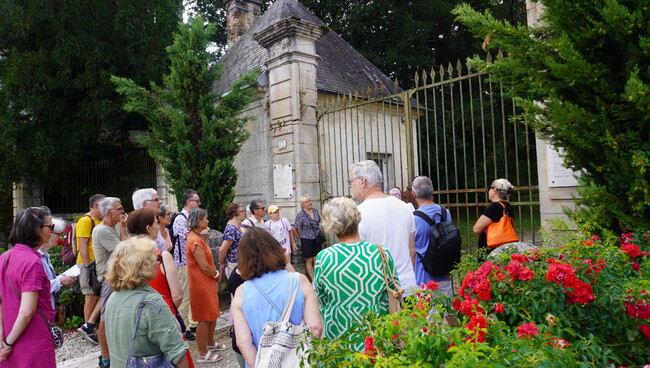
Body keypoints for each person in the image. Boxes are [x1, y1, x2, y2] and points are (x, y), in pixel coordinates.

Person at [314, 197, 400, 348]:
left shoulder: (325, 257)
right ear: (357, 219)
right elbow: (394, 291)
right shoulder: (381, 253)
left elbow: (321, 299)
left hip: (338, 331)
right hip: (376, 331)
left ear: (331, 226)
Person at [231, 227, 322, 368]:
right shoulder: (300, 281)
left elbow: (243, 342)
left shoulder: (241, 292)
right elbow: (316, 328)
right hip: (300, 361)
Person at [104, 237, 189, 368]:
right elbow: (177, 354)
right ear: (144, 265)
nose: (156, 262)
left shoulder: (113, 298)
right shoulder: (151, 303)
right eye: (153, 258)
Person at [349, 160, 418, 296]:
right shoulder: (405, 207)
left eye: (350, 181)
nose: (349, 186)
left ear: (362, 181)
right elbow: (412, 251)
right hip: (407, 285)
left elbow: (356, 259)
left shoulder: (358, 213)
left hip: (378, 291)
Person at [0, 207, 57, 367]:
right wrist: (8, 343)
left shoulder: (4, 257)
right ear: (36, 230)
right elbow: (26, 311)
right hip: (32, 340)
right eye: (50, 227)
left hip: (10, 337)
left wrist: (3, 340)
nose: (52, 231)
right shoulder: (32, 262)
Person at [185, 208, 227, 363]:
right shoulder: (194, 240)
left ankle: (210, 343)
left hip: (206, 282)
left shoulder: (197, 237)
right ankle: (203, 353)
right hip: (201, 282)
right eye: (205, 219)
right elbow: (203, 266)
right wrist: (216, 274)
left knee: (212, 313)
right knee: (204, 317)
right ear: (198, 221)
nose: (208, 221)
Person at [93, 197, 129, 368]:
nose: (123, 211)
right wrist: (123, 227)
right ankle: (106, 358)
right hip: (109, 279)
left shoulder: (112, 226)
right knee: (106, 319)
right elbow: (123, 251)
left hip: (118, 277)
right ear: (109, 212)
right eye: (119, 209)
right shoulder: (103, 231)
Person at [411, 176, 454, 296]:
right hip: (444, 273)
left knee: (424, 314)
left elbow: (413, 251)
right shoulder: (445, 212)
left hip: (423, 277)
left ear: (414, 194)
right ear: (432, 190)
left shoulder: (414, 218)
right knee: (445, 313)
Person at [75, 193, 105, 344]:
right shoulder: (86, 221)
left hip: (96, 263)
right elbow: (82, 246)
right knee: (90, 296)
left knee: (97, 294)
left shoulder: (99, 221)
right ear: (96, 206)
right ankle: (88, 328)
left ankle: (90, 326)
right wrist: (87, 268)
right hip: (88, 264)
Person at [172, 189, 201, 341]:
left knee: (193, 294)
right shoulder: (180, 219)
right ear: (189, 202)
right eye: (197, 201)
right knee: (184, 296)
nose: (199, 203)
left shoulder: (190, 218)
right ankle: (183, 328)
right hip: (183, 263)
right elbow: (194, 235)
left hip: (191, 262)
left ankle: (192, 323)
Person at [39, 217, 77, 310]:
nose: (59, 238)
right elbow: (39, 288)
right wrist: (60, 281)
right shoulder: (36, 258)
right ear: (48, 234)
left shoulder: (45, 256)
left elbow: (48, 282)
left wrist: (62, 280)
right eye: (58, 234)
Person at [473, 178, 518, 252]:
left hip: (490, 248)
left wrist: (485, 229)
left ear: (495, 190)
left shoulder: (495, 206)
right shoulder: (507, 205)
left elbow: (476, 229)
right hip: (504, 247)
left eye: (489, 188)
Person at [294, 194, 322, 281]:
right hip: (306, 240)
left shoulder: (315, 211)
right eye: (307, 202)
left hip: (316, 238)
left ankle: (318, 278)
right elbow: (295, 228)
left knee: (317, 259)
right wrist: (300, 237)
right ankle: (313, 280)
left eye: (310, 201)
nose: (310, 203)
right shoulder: (300, 215)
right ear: (303, 204)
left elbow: (318, 222)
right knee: (309, 260)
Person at [219, 203, 245, 278]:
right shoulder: (231, 229)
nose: (244, 213)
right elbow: (222, 250)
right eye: (241, 211)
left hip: (241, 263)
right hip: (234, 264)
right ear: (234, 214)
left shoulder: (237, 227)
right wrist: (222, 264)